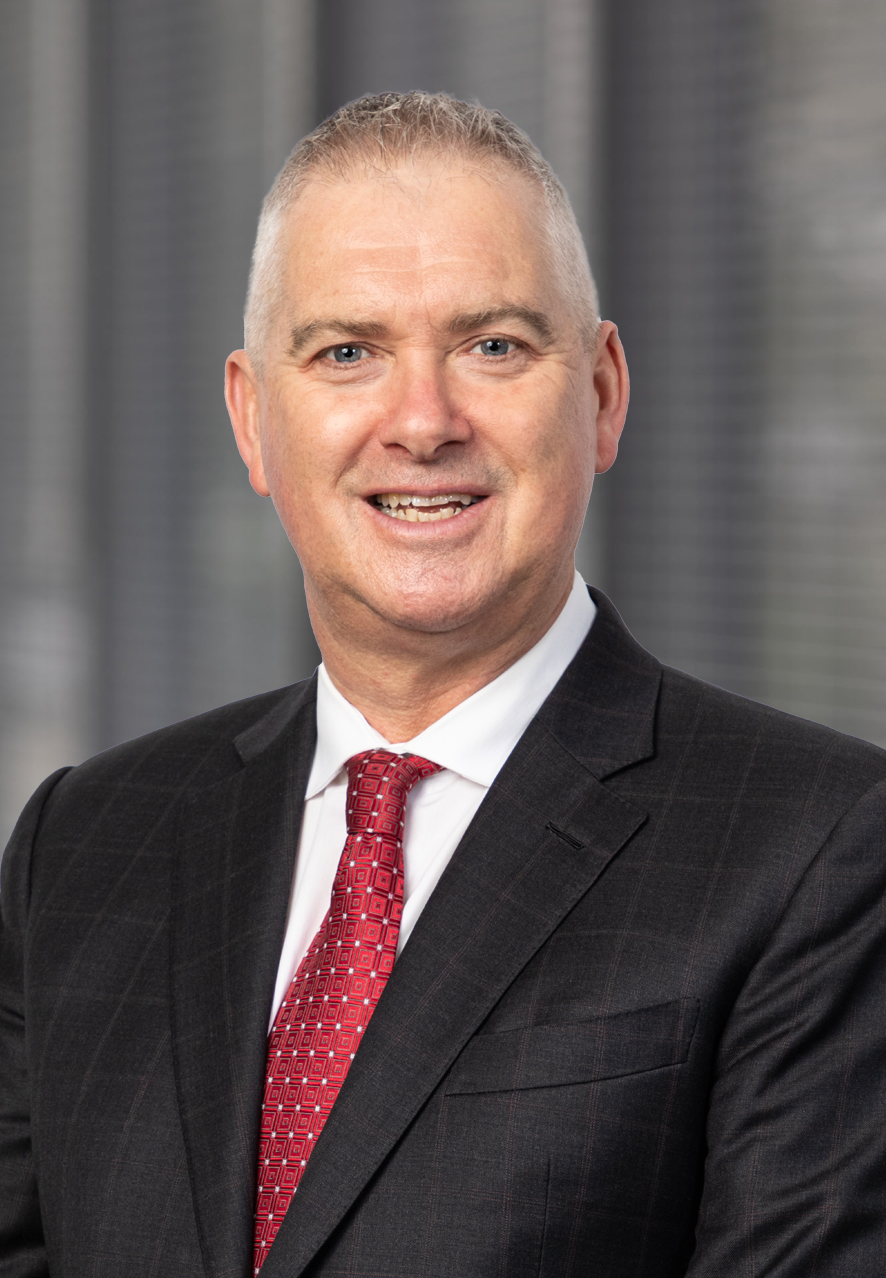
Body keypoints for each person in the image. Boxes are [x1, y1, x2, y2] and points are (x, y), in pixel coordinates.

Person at [2, 91, 886, 1278]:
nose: (422, 422)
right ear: (253, 419)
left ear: (602, 394)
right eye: (347, 353)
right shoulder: (82, 842)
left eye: (493, 347)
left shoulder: (819, 850)